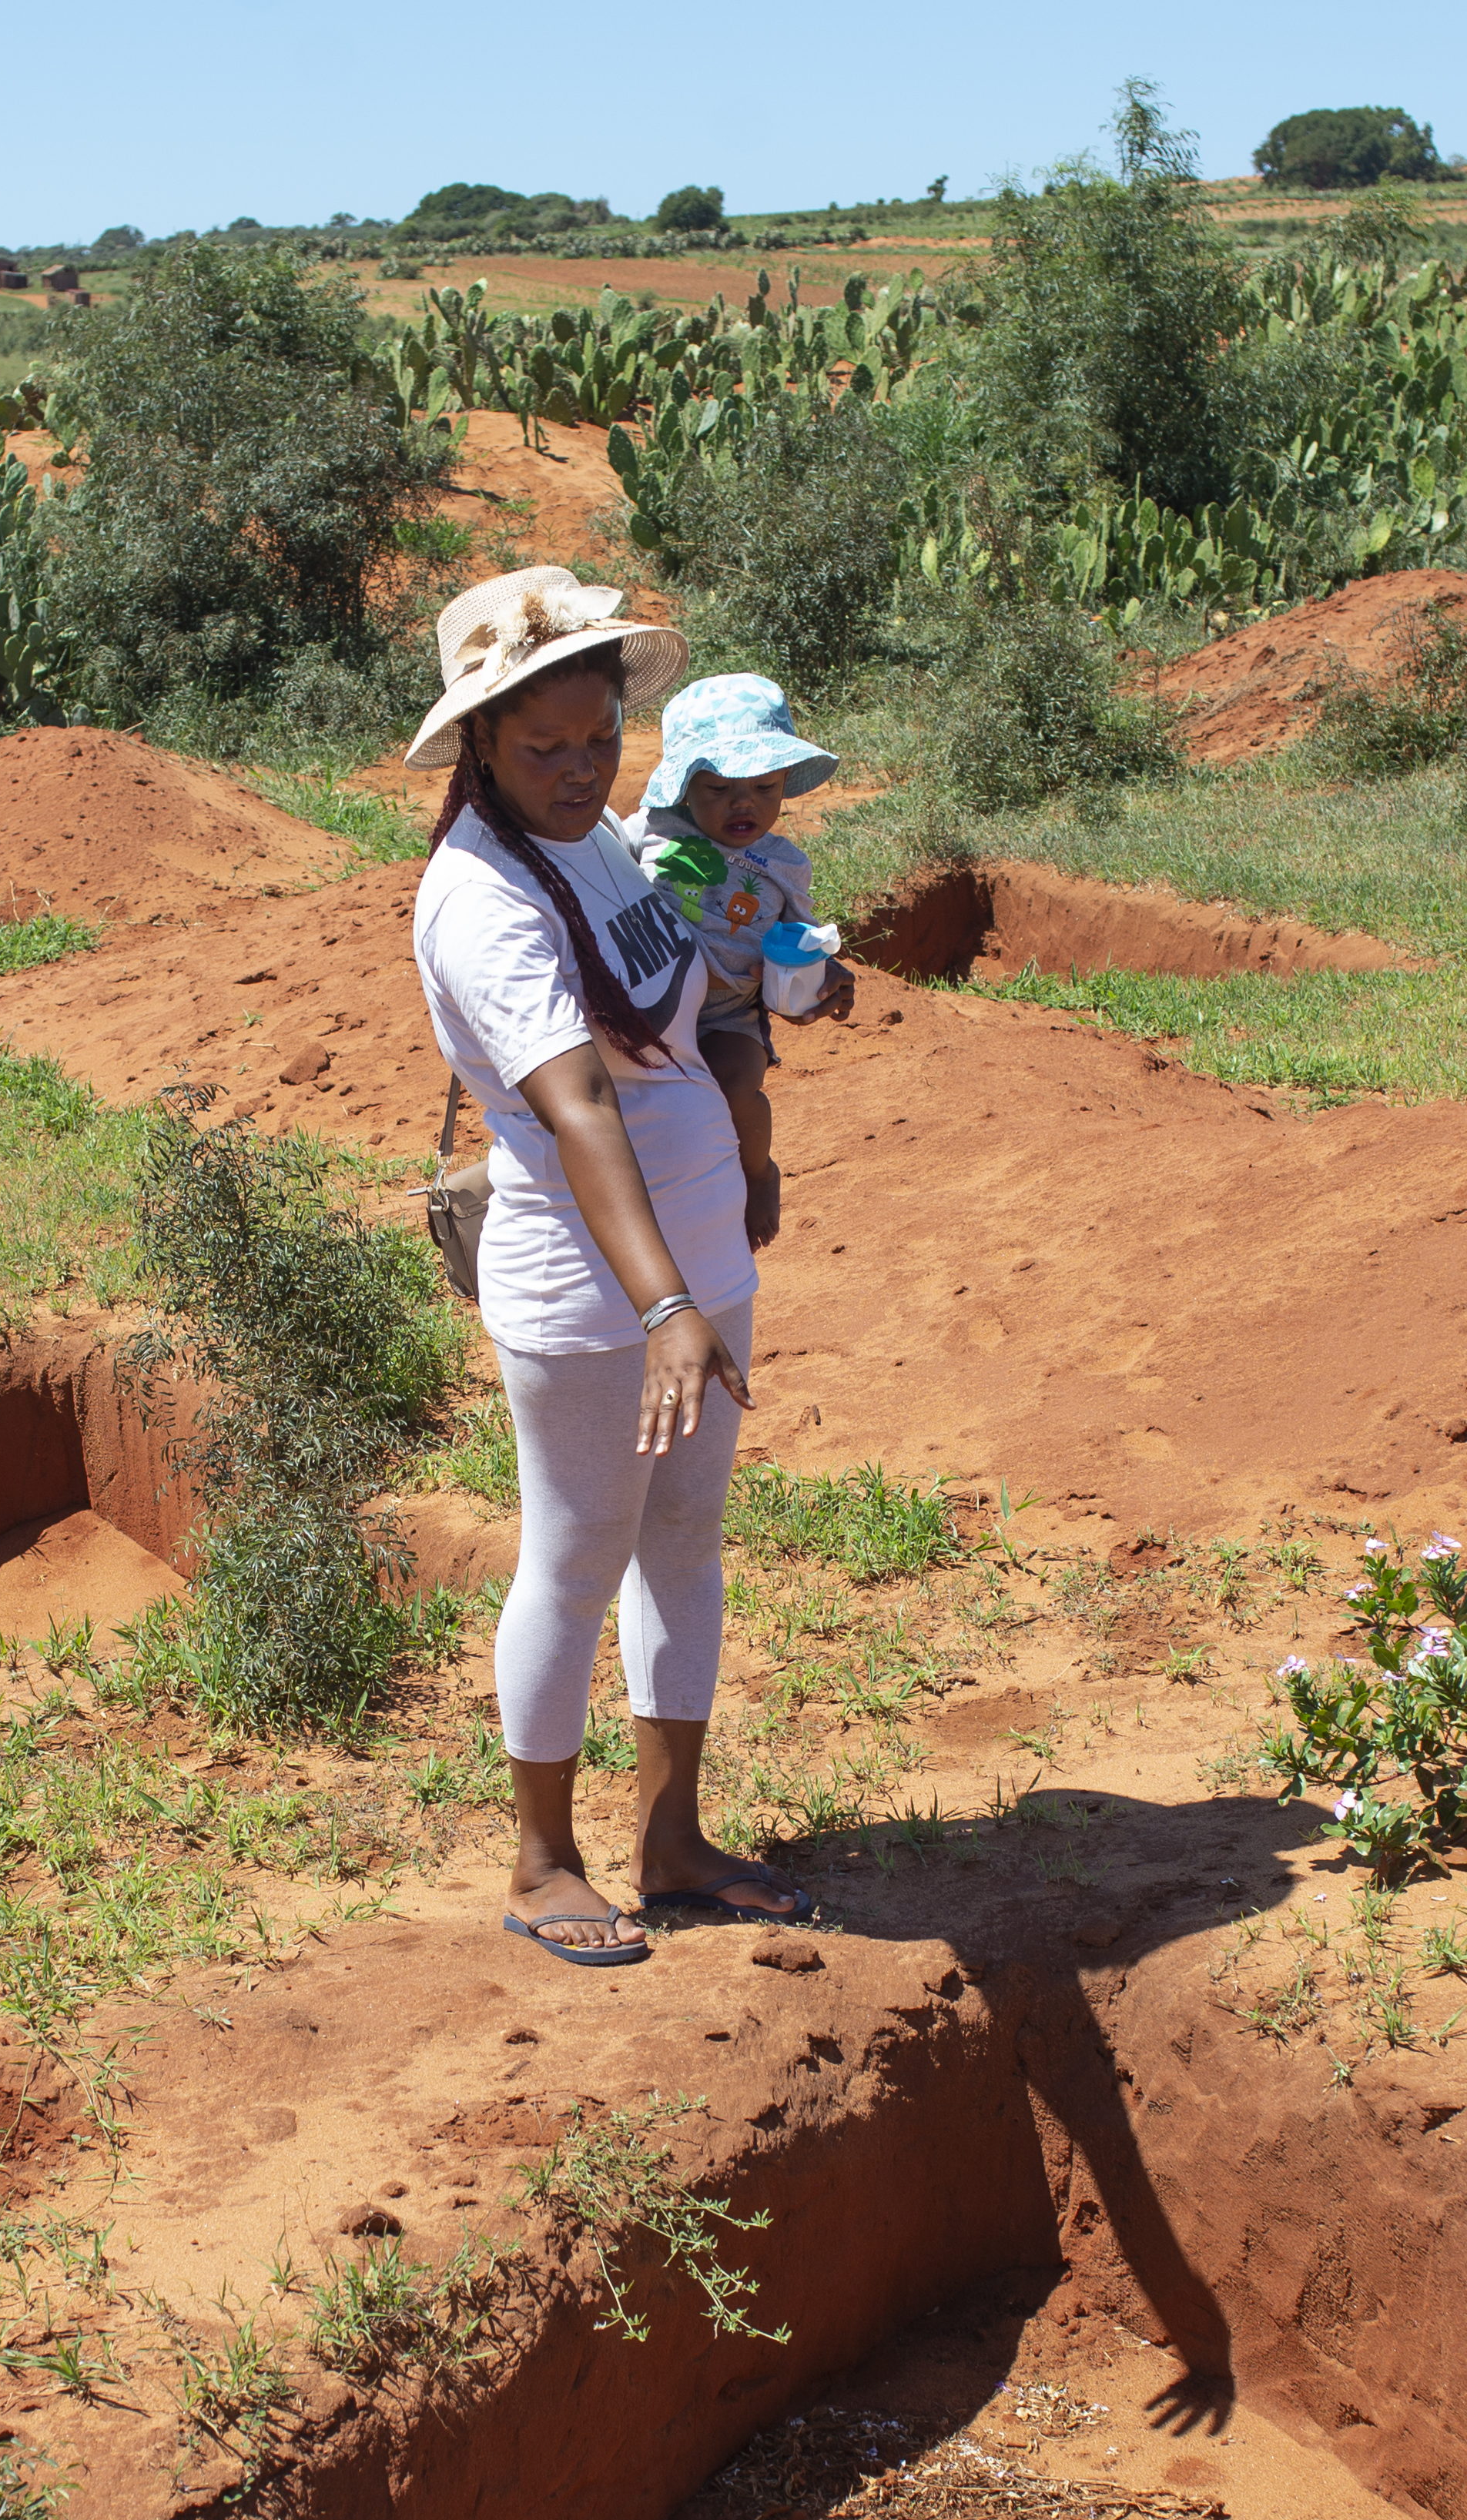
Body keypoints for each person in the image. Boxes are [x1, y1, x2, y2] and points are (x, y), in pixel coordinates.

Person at [408, 567, 825, 1965]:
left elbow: (688, 1008)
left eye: (601, 738)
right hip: (600, 1286)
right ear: (480, 744)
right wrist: (664, 1307)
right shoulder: (482, 901)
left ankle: (673, 1835)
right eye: (546, 750)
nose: (582, 771)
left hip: (702, 1247)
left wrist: (745, 1175)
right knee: (577, 1558)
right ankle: (541, 1861)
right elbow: (580, 1104)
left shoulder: (600, 837)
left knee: (684, 1544)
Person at [625, 672, 847, 1250]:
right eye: (720, 789)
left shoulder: (783, 864)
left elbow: (797, 936)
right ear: (684, 785)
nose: (744, 804)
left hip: (729, 1013)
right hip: (650, 1004)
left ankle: (757, 1173)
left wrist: (822, 975)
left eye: (765, 788)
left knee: (733, 1084)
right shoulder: (647, 832)